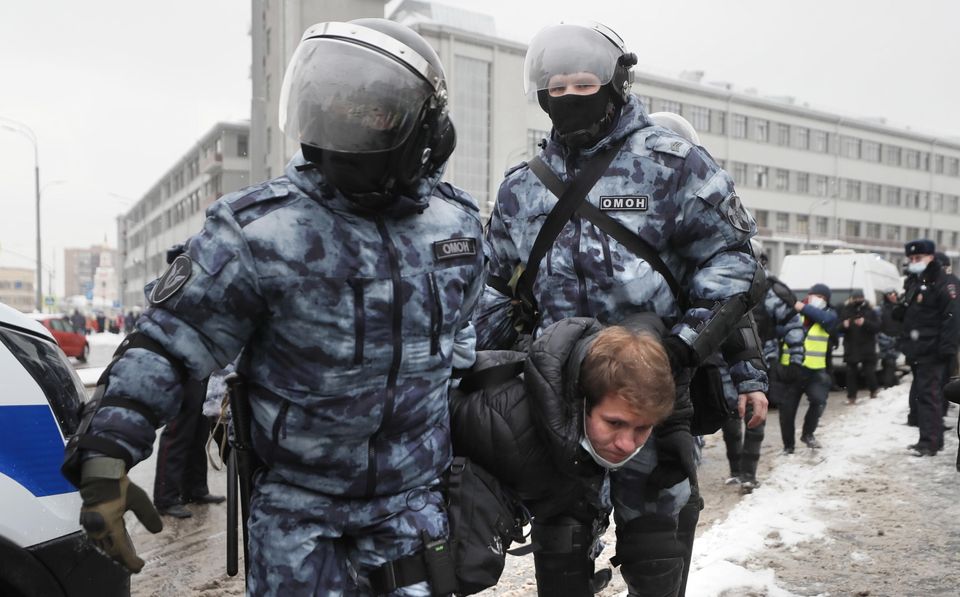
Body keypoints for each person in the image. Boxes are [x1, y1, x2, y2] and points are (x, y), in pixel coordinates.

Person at [61, 18, 485, 596]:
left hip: (410, 509)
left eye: (372, 115)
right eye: (336, 110)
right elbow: (168, 342)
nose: (348, 128)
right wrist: (107, 450)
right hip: (298, 514)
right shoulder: (259, 231)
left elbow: (461, 339)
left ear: (425, 130)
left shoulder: (456, 227)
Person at [475, 21, 767, 597]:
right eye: (554, 87)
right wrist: (514, 360)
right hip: (558, 400)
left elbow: (736, 263)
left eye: (583, 83)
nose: (568, 97)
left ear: (616, 81)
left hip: (652, 400)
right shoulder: (521, 188)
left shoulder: (674, 165)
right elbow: (490, 288)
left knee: (657, 551)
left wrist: (680, 345)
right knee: (561, 556)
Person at [450, 315, 676, 596]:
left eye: (642, 428)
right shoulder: (502, 425)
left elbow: (651, 322)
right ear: (581, 403)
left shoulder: (591, 418)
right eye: (615, 423)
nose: (627, 444)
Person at [723, 248, 803, 491]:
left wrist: (797, 357)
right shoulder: (723, 281)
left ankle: (749, 473)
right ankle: (736, 470)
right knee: (728, 417)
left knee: (754, 415)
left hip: (760, 359)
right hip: (725, 361)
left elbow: (791, 323)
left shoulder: (769, 290)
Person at [896, 240, 960, 456]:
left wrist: (946, 349)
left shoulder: (944, 282)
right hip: (918, 349)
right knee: (924, 396)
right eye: (911, 259)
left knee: (930, 396)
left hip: (933, 350)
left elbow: (951, 318)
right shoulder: (915, 281)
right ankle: (929, 439)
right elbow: (913, 316)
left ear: (931, 257)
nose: (914, 262)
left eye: (919, 258)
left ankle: (930, 443)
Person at [779, 283, 840, 454]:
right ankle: (788, 447)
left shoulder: (829, 314)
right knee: (787, 410)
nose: (819, 300)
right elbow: (778, 328)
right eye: (816, 296)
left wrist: (802, 307)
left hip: (815, 370)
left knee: (819, 401)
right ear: (809, 295)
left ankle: (808, 434)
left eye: (823, 298)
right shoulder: (793, 313)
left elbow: (826, 320)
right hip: (791, 369)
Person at [152, 376, 225, 518]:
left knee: (199, 433)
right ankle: (165, 498)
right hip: (185, 373)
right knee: (177, 435)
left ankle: (196, 490)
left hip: (204, 373)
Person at [838, 289, 880, 404]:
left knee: (869, 371)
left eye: (859, 298)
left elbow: (877, 327)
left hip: (867, 346)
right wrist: (843, 325)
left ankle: (874, 391)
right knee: (851, 373)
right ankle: (851, 396)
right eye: (855, 298)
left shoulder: (870, 311)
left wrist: (865, 323)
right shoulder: (846, 310)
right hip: (851, 346)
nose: (857, 300)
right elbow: (837, 328)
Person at [877, 288, 903, 388]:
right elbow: (878, 325)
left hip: (898, 339)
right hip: (885, 340)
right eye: (890, 294)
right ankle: (888, 385)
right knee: (888, 362)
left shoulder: (900, 307)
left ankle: (891, 383)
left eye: (894, 294)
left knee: (891, 363)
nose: (893, 296)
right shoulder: (881, 309)